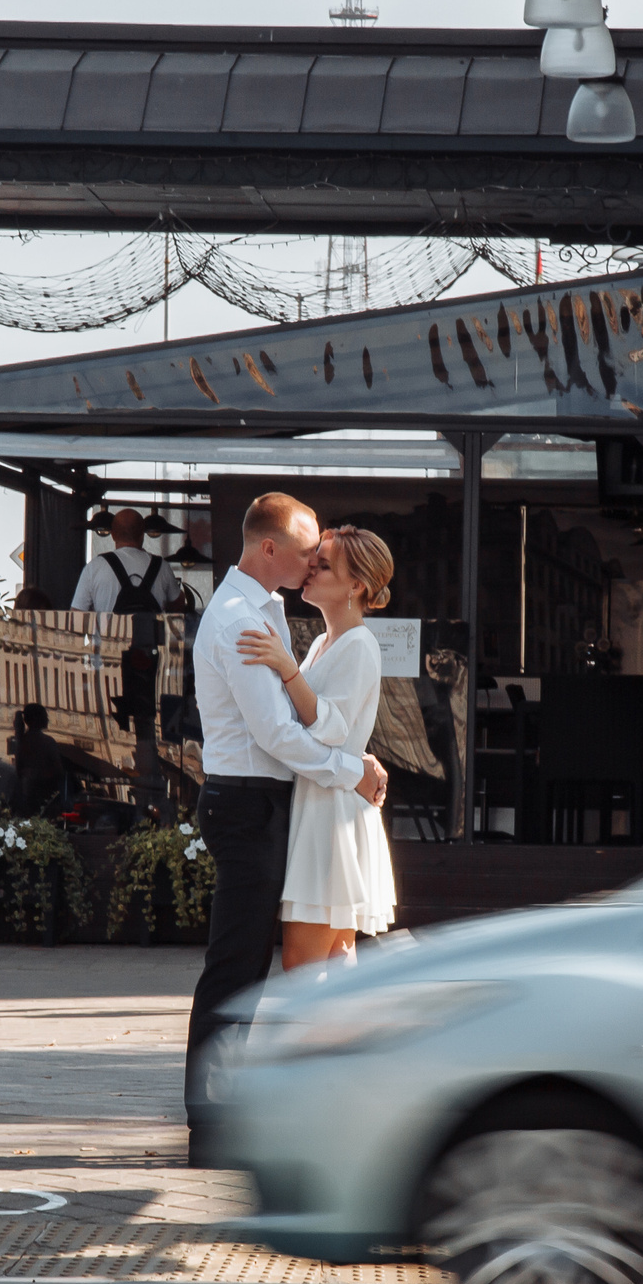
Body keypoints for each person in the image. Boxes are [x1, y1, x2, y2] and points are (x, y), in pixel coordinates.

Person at [185, 492, 387, 1152]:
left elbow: (325, 713)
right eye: (307, 553)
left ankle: (331, 1109)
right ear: (269, 548)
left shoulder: (270, 612)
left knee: (314, 967)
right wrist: (351, 767)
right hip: (251, 802)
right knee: (241, 968)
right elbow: (276, 731)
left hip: (286, 807)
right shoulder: (242, 618)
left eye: (321, 560)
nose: (309, 565)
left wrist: (352, 759)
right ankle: (212, 1126)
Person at [237, 526, 398, 972]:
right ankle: (350, 1043)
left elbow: (328, 726)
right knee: (333, 960)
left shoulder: (358, 644)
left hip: (330, 815)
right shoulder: (328, 643)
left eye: (323, 565)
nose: (311, 569)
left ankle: (325, 1043)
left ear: (356, 585)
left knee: (302, 967)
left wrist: (287, 668)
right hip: (326, 805)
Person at [69, 509, 182, 613]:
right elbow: (179, 606)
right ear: (142, 535)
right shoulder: (162, 567)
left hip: (107, 635)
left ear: (113, 535)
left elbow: (76, 617)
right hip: (151, 635)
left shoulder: (94, 567)